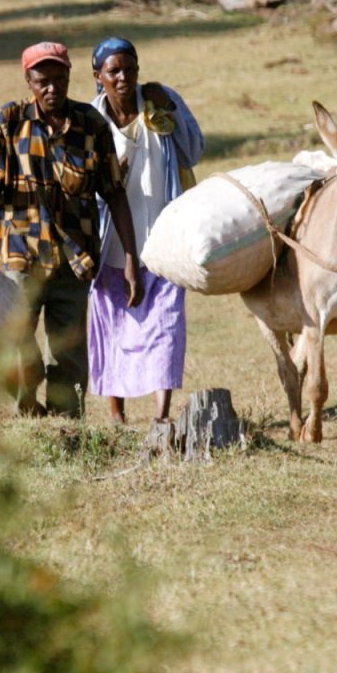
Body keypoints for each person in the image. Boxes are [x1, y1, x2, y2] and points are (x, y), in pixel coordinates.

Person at [0, 41, 145, 417]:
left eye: (58, 79)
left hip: (76, 262)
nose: (51, 89)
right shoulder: (8, 120)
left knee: (69, 354)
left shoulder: (91, 125)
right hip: (23, 260)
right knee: (19, 347)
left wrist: (131, 259)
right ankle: (29, 416)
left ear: (70, 76)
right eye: (42, 81)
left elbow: (114, 194)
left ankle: (68, 427)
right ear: (28, 81)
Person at [88, 37, 204, 424]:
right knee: (114, 327)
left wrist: (170, 108)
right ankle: (116, 413)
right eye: (113, 71)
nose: (123, 78)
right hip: (111, 245)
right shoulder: (89, 118)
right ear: (98, 77)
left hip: (163, 238)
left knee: (166, 324)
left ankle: (161, 414)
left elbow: (194, 150)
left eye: (130, 68)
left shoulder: (158, 100)